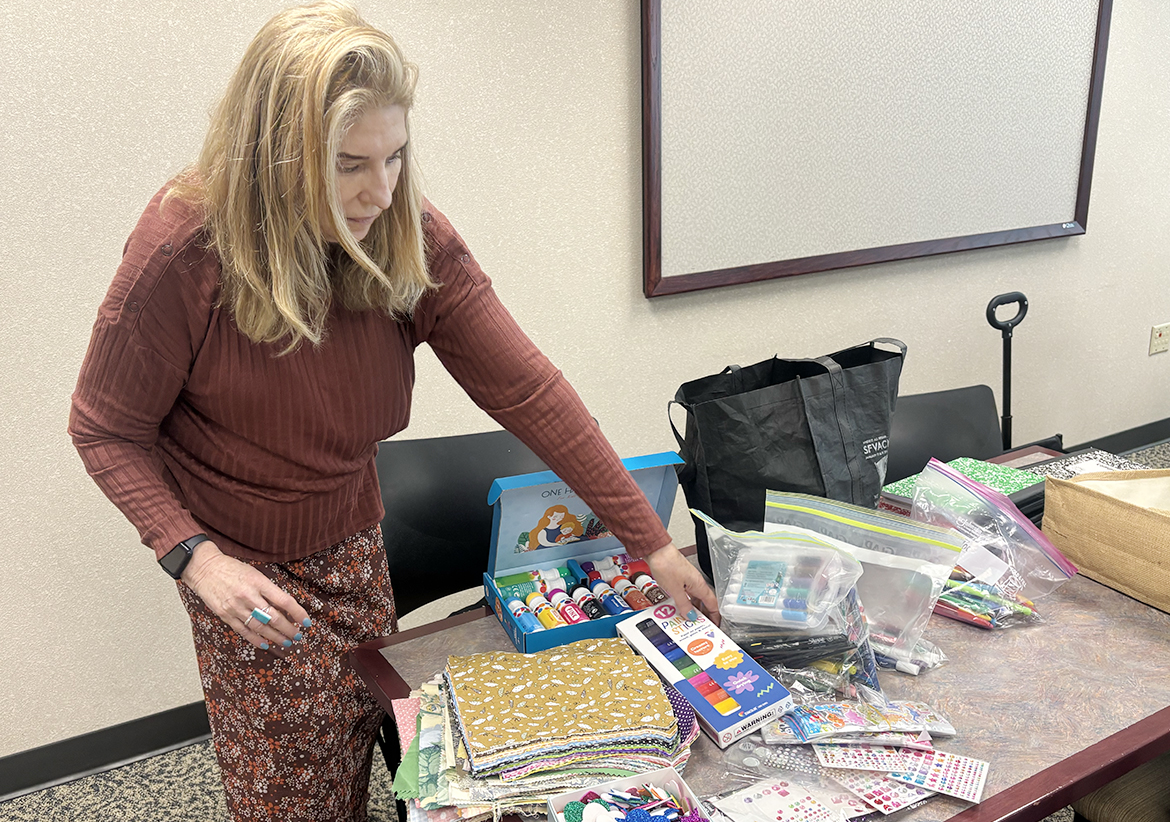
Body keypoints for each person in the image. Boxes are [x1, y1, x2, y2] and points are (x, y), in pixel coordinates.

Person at [68, 2, 718, 820]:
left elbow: (528, 392)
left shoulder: (404, 232)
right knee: (290, 797)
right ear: (276, 158)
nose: (380, 192)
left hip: (354, 541)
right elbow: (105, 428)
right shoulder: (184, 249)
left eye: (396, 157)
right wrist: (195, 560)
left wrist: (648, 540)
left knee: (372, 741)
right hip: (242, 564)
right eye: (347, 164)